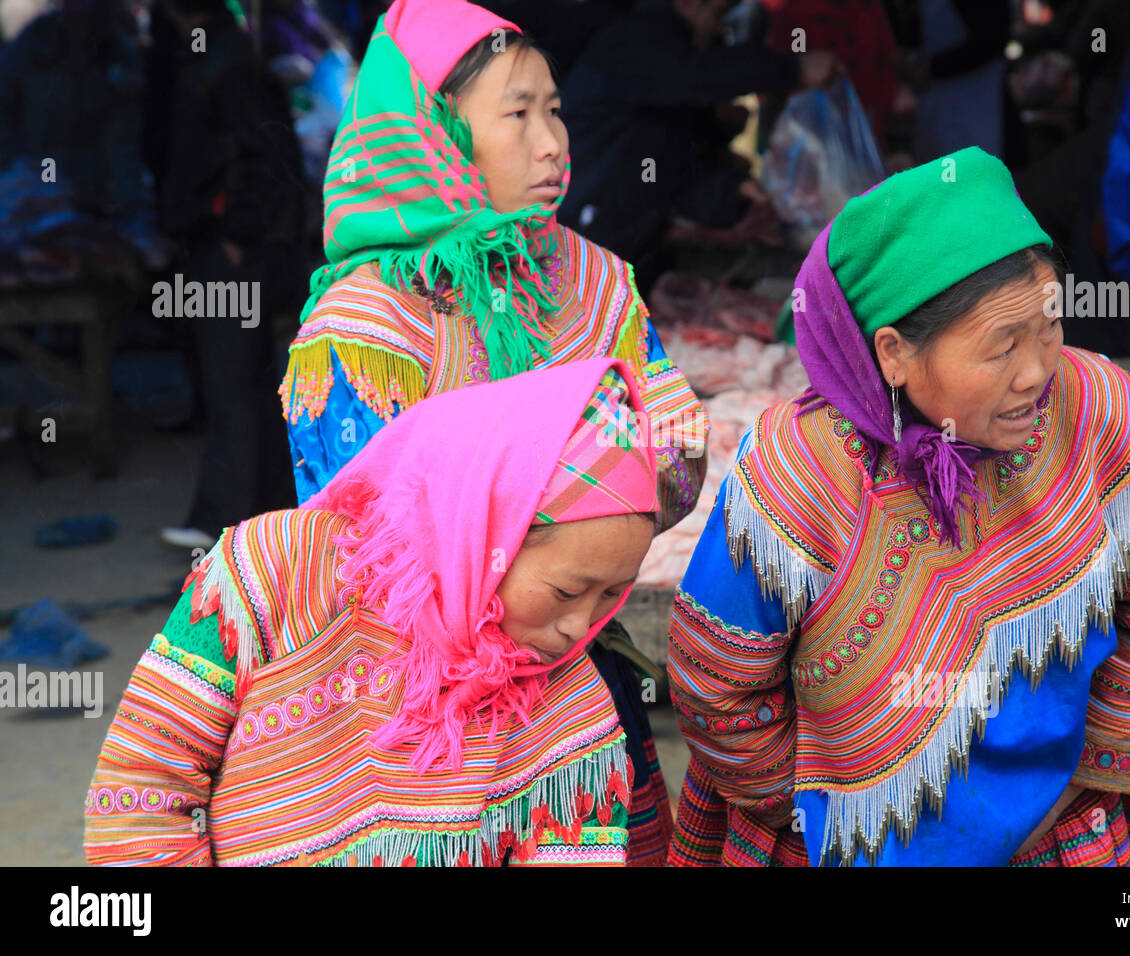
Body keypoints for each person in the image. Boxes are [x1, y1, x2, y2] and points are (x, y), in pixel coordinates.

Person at [667, 147, 1130, 866]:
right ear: (892, 353)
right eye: (1000, 348)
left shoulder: (1103, 413)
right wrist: (814, 807)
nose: (1038, 371)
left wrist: (1093, 773)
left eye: (1049, 326)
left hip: (1064, 822)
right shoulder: (801, 471)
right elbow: (716, 680)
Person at [277, 0, 709, 865]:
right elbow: (354, 547)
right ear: (430, 135)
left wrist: (563, 539)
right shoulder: (362, 327)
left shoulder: (597, 281)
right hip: (425, 717)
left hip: (586, 666)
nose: (555, 142)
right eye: (518, 113)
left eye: (554, 109)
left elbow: (679, 455)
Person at [86, 358, 657, 866]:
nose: (581, 627)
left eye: (612, 595)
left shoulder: (570, 709)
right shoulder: (274, 570)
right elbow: (142, 788)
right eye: (565, 593)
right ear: (482, 536)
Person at [152, 0, 307, 551]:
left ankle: (223, 519)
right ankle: (264, 513)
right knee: (246, 377)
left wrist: (240, 235)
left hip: (233, 248)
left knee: (232, 379)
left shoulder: (227, 58)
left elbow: (266, 157)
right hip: (223, 243)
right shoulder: (210, 51)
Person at [556, 0, 841, 282]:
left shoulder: (661, 68)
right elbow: (698, 74)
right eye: (718, 13)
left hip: (625, 236)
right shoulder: (636, 41)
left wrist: (732, 189)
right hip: (587, 232)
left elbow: (665, 166)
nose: (719, 28)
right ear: (690, 3)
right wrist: (793, 68)